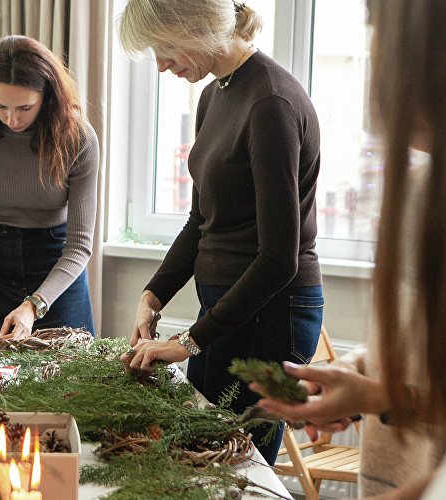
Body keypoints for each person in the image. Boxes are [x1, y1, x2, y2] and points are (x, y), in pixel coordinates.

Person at [252, 0, 446, 497]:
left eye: (375, 30)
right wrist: (357, 374)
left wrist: (382, 396)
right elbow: (419, 343)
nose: (372, 57)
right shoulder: (431, 193)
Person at [116, 0, 323, 464]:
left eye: (166, 48)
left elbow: (277, 260)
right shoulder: (215, 95)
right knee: (200, 463)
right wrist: (152, 295)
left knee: (232, 469)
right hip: (229, 306)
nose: (161, 65)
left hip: (273, 313)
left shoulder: (270, 103)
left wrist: (187, 341)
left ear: (198, 28)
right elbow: (200, 220)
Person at [0, 35, 100, 349]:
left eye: (24, 107)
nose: (11, 119)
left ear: (48, 96)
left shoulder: (79, 139)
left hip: (57, 271)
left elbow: (80, 246)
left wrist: (35, 305)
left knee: (73, 388)